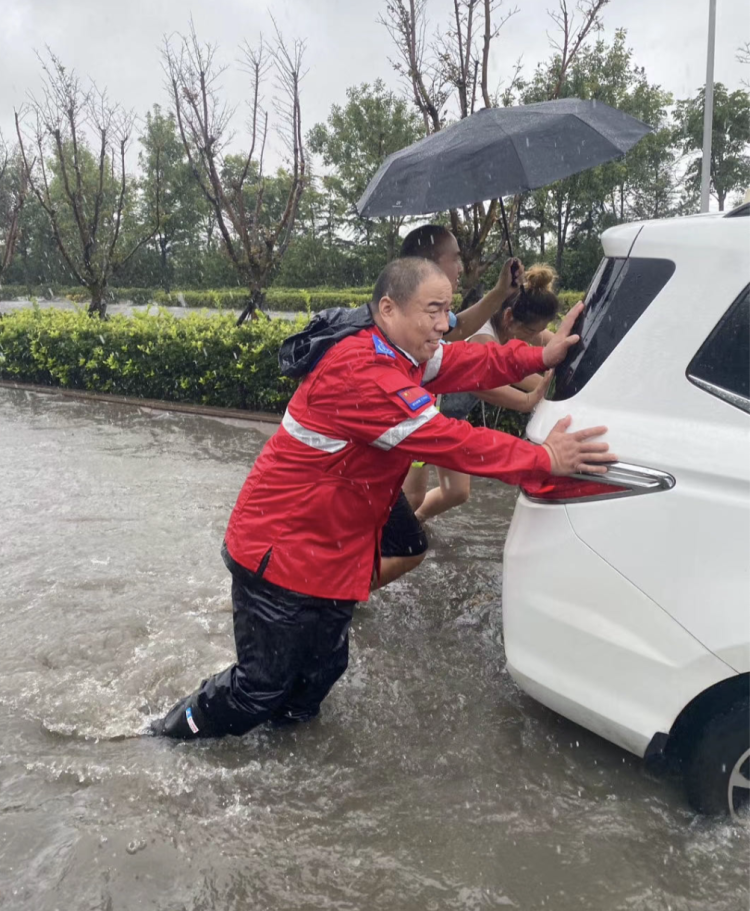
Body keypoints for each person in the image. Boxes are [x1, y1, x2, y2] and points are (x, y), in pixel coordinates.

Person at [150, 257, 614, 740]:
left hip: (330, 549)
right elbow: (453, 440)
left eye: (448, 310)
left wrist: (537, 358)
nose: (444, 323)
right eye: (433, 310)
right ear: (388, 309)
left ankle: (282, 762)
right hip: (279, 551)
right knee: (257, 689)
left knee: (319, 675)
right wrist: (544, 459)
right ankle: (164, 737)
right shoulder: (363, 373)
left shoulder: (399, 352)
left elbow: (460, 360)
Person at [378, 223, 523, 587]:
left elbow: (459, 335)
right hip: (403, 434)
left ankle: (342, 587)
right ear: (428, 265)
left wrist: (499, 291)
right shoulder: (393, 335)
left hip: (410, 431)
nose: (461, 266)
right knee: (406, 513)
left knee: (412, 537)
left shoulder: (423, 322)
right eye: (455, 258)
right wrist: (542, 459)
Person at [412, 264, 560, 524]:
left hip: (449, 419)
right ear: (509, 317)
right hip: (422, 415)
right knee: (411, 493)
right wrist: (536, 394)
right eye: (529, 333)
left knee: (456, 492)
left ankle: (414, 523)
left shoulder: (513, 325)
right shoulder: (483, 338)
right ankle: (390, 537)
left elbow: (548, 342)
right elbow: (487, 384)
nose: (534, 338)